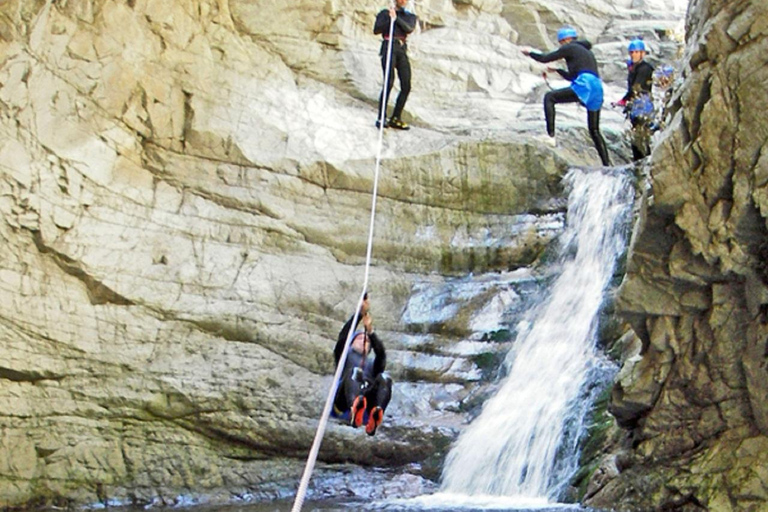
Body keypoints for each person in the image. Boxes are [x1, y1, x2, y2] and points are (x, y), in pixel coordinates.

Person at [523, 26, 611, 166]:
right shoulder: (586, 52)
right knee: (594, 130)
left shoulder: (569, 47)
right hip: (597, 87)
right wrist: (558, 70)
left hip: (584, 84)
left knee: (550, 97)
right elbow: (572, 76)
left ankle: (550, 136)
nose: (561, 46)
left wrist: (530, 53)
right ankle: (607, 164)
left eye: (561, 43)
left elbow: (545, 58)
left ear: (565, 40)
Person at [332, 293, 393, 436]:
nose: (363, 340)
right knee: (355, 372)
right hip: (343, 401)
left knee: (385, 378)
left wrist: (370, 331)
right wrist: (360, 314)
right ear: (351, 343)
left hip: (367, 400)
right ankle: (354, 407)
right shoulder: (344, 356)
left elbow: (381, 355)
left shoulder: (373, 364)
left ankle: (376, 413)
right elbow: (343, 338)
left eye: (366, 340)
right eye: (359, 338)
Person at [373, 0, 417, 130]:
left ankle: (396, 117)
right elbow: (376, 30)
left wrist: (396, 18)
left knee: (406, 84)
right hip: (388, 46)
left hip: (401, 49)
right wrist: (389, 18)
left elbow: (408, 29)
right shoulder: (384, 13)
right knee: (389, 82)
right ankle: (381, 117)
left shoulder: (409, 16)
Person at [612, 39, 655, 161]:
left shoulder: (645, 68)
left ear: (642, 53)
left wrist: (624, 100)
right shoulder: (634, 68)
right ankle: (639, 160)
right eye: (632, 52)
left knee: (642, 136)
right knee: (636, 135)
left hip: (643, 105)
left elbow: (637, 87)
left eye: (636, 52)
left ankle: (644, 160)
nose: (633, 55)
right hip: (636, 105)